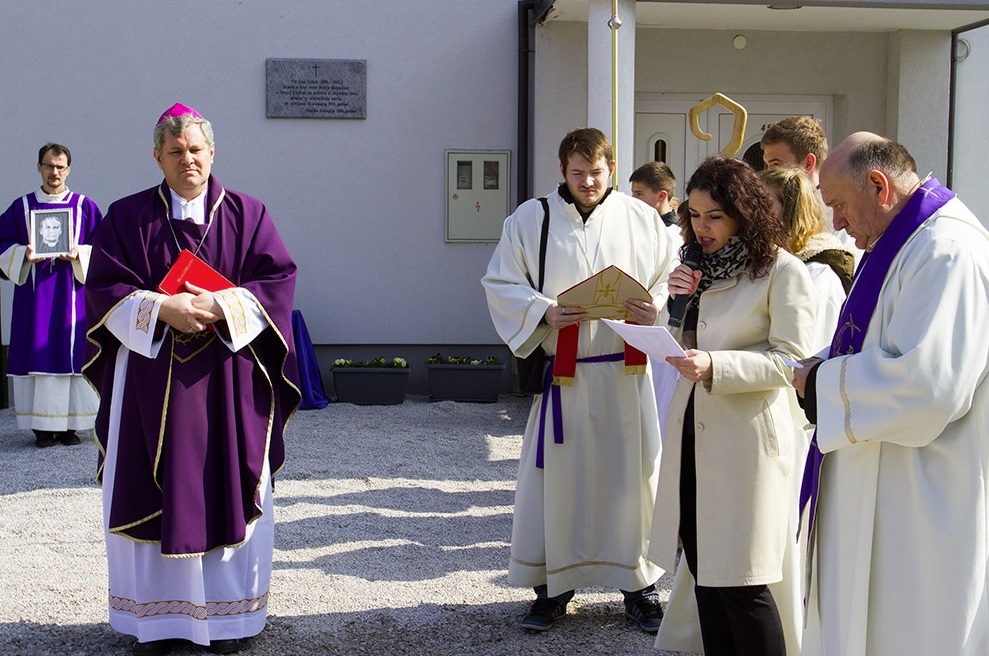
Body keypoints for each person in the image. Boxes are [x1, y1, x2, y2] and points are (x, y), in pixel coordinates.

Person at [83, 103, 300, 656]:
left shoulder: (248, 215)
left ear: (212, 153)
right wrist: (161, 311)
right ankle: (157, 624)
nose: (188, 161)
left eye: (196, 150)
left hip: (226, 382)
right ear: (157, 156)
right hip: (148, 387)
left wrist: (225, 303)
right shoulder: (127, 218)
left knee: (226, 481)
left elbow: (277, 280)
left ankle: (229, 622)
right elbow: (103, 292)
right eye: (175, 152)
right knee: (148, 485)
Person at [793, 133, 989, 656]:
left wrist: (819, 383)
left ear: (878, 186)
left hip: (920, 501)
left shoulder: (946, 252)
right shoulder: (904, 243)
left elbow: (929, 387)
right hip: (880, 482)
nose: (835, 223)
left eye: (837, 204)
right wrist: (825, 366)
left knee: (907, 631)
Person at [482, 127, 677, 634]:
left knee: (630, 482)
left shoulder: (642, 218)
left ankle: (639, 588)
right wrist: (544, 312)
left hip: (624, 374)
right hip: (565, 380)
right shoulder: (531, 219)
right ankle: (551, 590)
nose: (588, 181)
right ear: (562, 171)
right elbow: (500, 283)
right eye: (577, 172)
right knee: (557, 484)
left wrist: (654, 304)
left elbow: (668, 276)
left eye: (597, 171)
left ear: (611, 167)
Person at [649, 156, 816, 656]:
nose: (701, 227)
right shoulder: (697, 268)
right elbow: (680, 344)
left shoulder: (783, 272)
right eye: (694, 215)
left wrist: (717, 366)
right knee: (704, 572)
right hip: (693, 438)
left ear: (746, 213)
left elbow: (793, 362)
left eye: (714, 216)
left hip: (746, 445)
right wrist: (670, 307)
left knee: (743, 582)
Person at [0, 143, 102, 448]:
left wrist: (79, 254)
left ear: (68, 169)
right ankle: (42, 430)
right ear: (39, 167)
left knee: (72, 358)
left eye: (60, 166)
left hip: (73, 298)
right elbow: (1, 243)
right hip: (35, 299)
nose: (54, 172)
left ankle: (71, 426)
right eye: (48, 166)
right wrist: (22, 254)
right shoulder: (22, 207)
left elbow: (105, 248)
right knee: (39, 356)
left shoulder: (85, 207)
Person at [759, 165, 854, 351]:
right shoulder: (770, 264)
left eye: (765, 207)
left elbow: (809, 352)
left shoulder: (818, 274)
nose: (754, 216)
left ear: (793, 213)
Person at [761, 115, 861, 264]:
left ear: (808, 163)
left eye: (776, 163)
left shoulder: (838, 215)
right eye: (767, 164)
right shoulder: (773, 206)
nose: (769, 172)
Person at [630, 161, 681, 241]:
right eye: (633, 193)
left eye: (639, 194)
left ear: (661, 196)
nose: (633, 199)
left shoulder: (679, 234)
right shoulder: (633, 227)